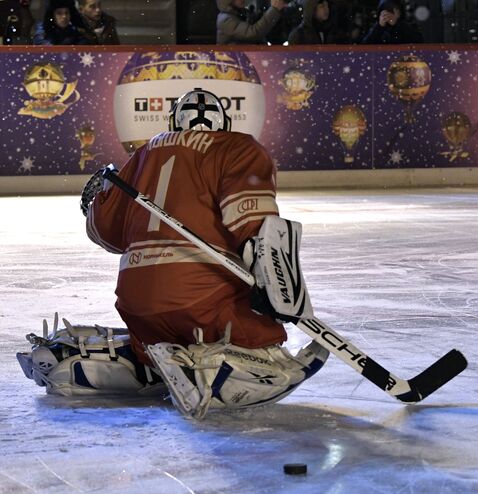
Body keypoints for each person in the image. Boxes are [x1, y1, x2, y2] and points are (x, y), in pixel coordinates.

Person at [18, 88, 328, 419]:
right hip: (201, 302)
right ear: (223, 122)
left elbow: (106, 234)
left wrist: (98, 205)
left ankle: (106, 360)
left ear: (172, 121)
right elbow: (257, 233)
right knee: (260, 336)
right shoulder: (238, 148)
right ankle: (203, 368)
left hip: (136, 304)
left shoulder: (143, 154)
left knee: (150, 343)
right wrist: (279, 296)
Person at [214, 0, 285, 44]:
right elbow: (253, 33)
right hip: (232, 57)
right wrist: (274, 10)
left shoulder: (241, 14)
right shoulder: (226, 20)